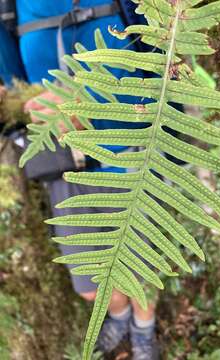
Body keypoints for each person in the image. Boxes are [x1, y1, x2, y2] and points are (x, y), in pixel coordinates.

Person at [0, 1, 159, 358]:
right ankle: (119, 315)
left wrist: (85, 99)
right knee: (90, 283)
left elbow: (166, 68)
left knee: (141, 269)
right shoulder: (10, 8)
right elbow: (12, 94)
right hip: (65, 164)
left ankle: (144, 329)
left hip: (131, 157)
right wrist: (17, 108)